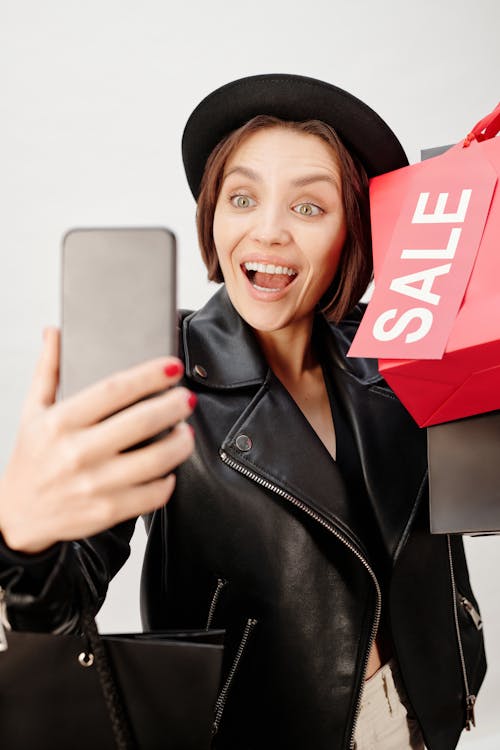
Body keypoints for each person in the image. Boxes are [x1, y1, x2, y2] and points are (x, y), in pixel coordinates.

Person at [0, 74, 486, 750]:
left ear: (353, 232)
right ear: (213, 215)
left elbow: (473, 500)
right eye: (242, 197)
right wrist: (22, 541)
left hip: (417, 713)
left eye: (309, 208)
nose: (268, 231)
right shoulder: (155, 372)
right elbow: (58, 610)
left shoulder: (396, 349)